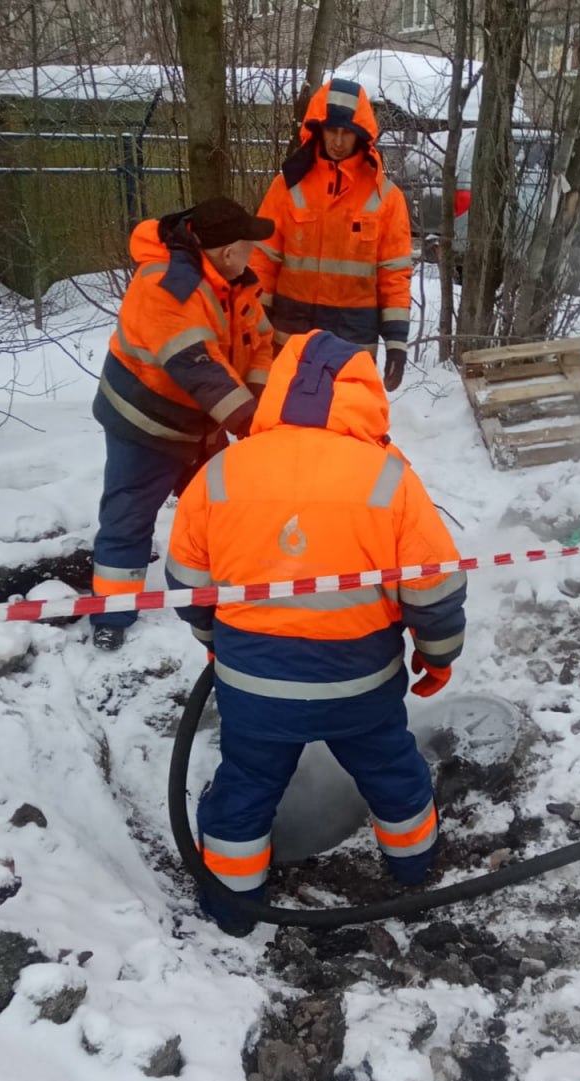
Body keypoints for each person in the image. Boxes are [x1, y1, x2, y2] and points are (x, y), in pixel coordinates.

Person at [165, 329, 467, 934]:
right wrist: (438, 659)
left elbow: (185, 581)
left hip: (252, 689)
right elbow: (434, 588)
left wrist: (214, 642)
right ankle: (414, 869)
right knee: (392, 771)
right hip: (362, 687)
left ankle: (231, 907)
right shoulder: (387, 478)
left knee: (245, 784)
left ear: (277, 390)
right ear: (363, 396)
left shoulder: (222, 471)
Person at [89, 196, 275, 650]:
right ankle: (112, 614)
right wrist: (254, 426)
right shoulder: (167, 286)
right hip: (145, 423)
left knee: (223, 504)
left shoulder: (236, 285)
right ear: (228, 252)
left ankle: (223, 589)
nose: (256, 254)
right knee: (129, 513)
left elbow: (261, 342)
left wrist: (263, 403)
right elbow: (197, 368)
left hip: (202, 421)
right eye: (249, 246)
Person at [250, 78, 413, 394]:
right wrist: (256, 326)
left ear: (361, 136)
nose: (338, 141)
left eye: (347, 132)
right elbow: (262, 262)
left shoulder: (386, 197)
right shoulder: (287, 187)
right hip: (290, 337)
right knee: (288, 427)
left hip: (352, 343)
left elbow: (394, 276)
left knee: (345, 427)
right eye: (332, 131)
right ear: (318, 130)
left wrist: (396, 342)